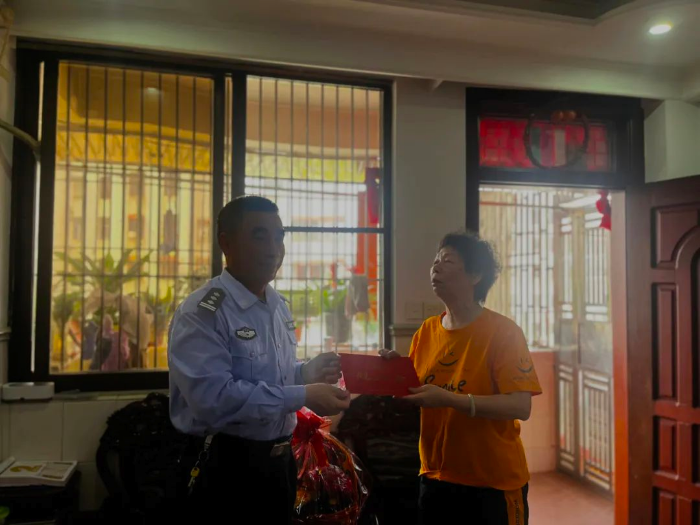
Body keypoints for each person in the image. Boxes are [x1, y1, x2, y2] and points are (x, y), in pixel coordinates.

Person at [168, 195, 351, 524]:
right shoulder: (203, 311)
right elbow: (214, 399)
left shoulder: (277, 305)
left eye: (279, 236)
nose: (273, 249)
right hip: (225, 466)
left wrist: (305, 372)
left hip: (279, 462)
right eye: (259, 236)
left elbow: (269, 376)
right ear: (226, 243)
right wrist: (304, 394)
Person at [381, 231, 541, 525]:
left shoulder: (504, 332)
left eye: (447, 261)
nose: (435, 267)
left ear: (475, 275)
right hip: (435, 478)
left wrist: (450, 399)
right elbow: (416, 392)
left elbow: (520, 406)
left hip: (493, 484)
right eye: (435, 261)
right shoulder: (427, 332)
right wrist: (394, 375)